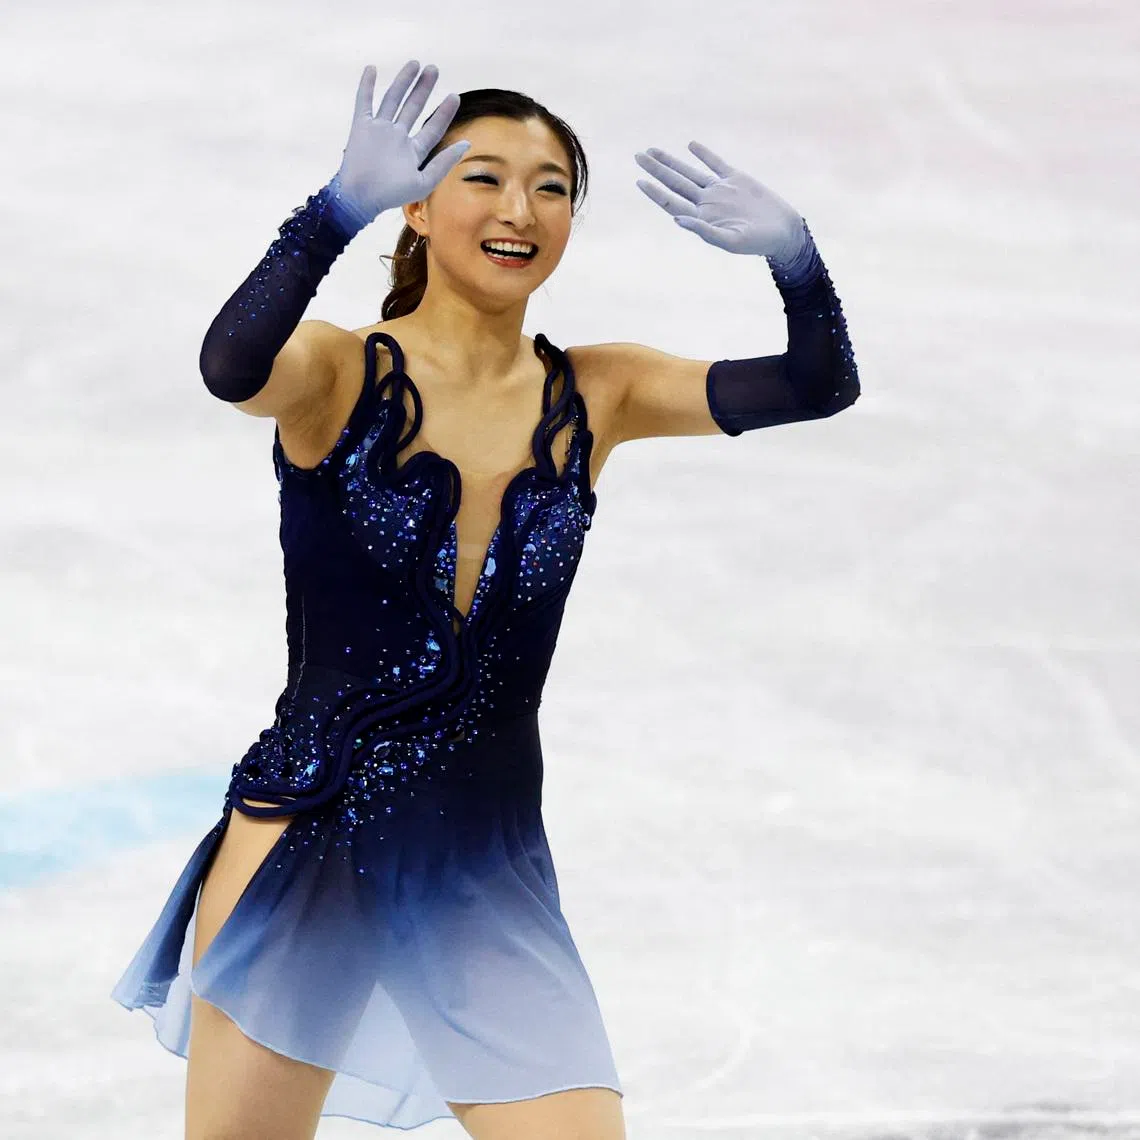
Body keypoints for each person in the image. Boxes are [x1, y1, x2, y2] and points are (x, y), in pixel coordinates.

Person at [110, 57, 860, 1140]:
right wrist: (329, 214)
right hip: (308, 840)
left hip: (482, 864)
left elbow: (816, 384)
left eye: (552, 188)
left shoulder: (601, 390)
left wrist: (797, 259)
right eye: (484, 178)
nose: (520, 210)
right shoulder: (337, 373)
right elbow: (232, 365)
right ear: (416, 206)